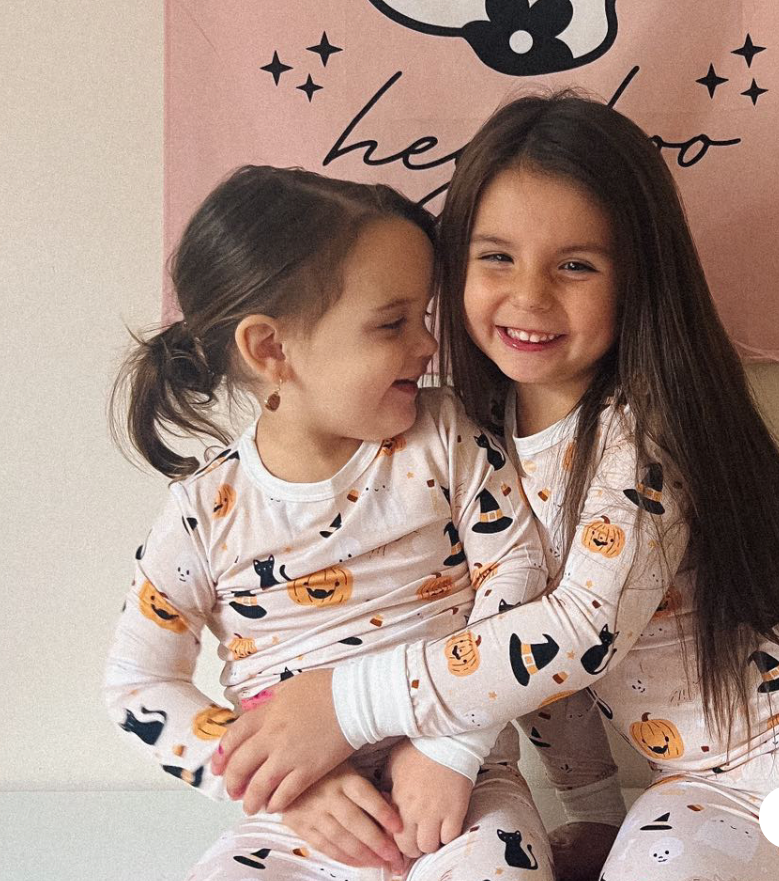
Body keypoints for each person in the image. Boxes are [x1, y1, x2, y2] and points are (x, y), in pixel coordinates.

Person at [212, 100, 779, 881]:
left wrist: (350, 705)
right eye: (496, 258)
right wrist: (592, 810)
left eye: (575, 265)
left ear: (636, 278)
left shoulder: (644, 426)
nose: (529, 296)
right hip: (699, 786)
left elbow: (581, 631)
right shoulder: (460, 441)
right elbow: (510, 648)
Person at [104, 164, 554, 881]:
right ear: (271, 350)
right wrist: (278, 784)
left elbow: (522, 576)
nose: (427, 345)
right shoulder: (203, 514)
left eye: (425, 317)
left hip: (460, 789)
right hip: (297, 824)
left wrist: (450, 749)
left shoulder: (444, 438)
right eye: (393, 324)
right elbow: (137, 682)